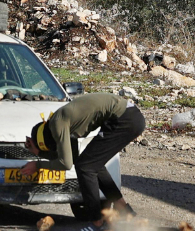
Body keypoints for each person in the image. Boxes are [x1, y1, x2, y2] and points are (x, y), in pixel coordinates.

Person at [22, 93, 145, 231]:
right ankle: (124, 212)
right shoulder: (63, 122)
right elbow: (72, 158)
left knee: (86, 167)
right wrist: (39, 153)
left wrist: (38, 164)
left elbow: (66, 164)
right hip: (128, 116)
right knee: (91, 163)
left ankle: (97, 224)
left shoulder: (58, 123)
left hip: (124, 119)